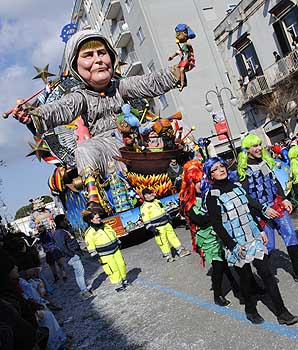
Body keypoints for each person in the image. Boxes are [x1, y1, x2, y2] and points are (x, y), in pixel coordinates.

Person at [11, 29, 183, 181]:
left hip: (134, 135)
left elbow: (148, 82)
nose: (98, 60)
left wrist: (176, 72)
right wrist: (33, 116)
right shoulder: (81, 97)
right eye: (88, 55)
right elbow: (60, 108)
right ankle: (95, 198)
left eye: (101, 53)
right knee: (84, 151)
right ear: (75, 67)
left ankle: (180, 170)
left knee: (161, 126)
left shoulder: (120, 86)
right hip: (106, 145)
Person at [203, 157, 298, 325]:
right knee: (245, 278)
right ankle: (250, 309)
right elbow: (217, 225)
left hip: (253, 237)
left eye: (222, 166)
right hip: (236, 244)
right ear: (210, 175)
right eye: (215, 169)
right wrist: (233, 246)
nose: (221, 170)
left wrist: (260, 229)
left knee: (267, 274)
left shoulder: (238, 186)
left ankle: (282, 312)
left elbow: (250, 207)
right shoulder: (212, 196)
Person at [237, 134, 298, 283]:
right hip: (259, 211)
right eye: (254, 146)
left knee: (290, 234)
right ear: (247, 149)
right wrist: (263, 208)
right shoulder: (244, 169)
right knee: (269, 245)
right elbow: (245, 196)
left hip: (276, 205)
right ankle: (265, 276)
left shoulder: (265, 163)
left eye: (259, 145)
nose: (259, 148)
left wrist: (284, 198)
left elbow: (274, 183)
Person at [179, 164, 239, 306]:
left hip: (219, 232)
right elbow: (199, 219)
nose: (201, 183)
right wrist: (215, 214)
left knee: (226, 261)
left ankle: (236, 286)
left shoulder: (209, 194)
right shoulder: (188, 201)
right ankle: (217, 295)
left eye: (202, 180)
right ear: (191, 184)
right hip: (207, 238)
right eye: (197, 182)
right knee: (218, 265)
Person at [82, 210, 129, 292]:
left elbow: (114, 234)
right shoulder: (89, 233)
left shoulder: (106, 226)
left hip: (115, 250)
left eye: (99, 217)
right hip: (105, 255)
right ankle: (118, 285)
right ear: (91, 220)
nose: (99, 219)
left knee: (122, 265)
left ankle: (124, 281)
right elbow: (90, 246)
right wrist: (96, 256)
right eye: (97, 218)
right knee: (113, 269)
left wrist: (118, 242)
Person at [140, 189, 190, 262]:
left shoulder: (157, 201)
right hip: (158, 228)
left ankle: (181, 251)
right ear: (145, 196)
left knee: (173, 237)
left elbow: (164, 210)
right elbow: (146, 221)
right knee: (163, 242)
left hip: (167, 224)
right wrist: (152, 229)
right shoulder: (144, 207)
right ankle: (168, 256)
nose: (152, 195)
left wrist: (169, 218)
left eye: (151, 193)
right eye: (150, 194)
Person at [52, 215, 93, 299]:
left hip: (74, 254)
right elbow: (62, 246)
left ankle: (84, 288)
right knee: (79, 273)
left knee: (80, 272)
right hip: (72, 256)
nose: (67, 222)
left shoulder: (63, 230)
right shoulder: (59, 232)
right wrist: (72, 254)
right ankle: (84, 291)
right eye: (65, 220)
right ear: (61, 222)